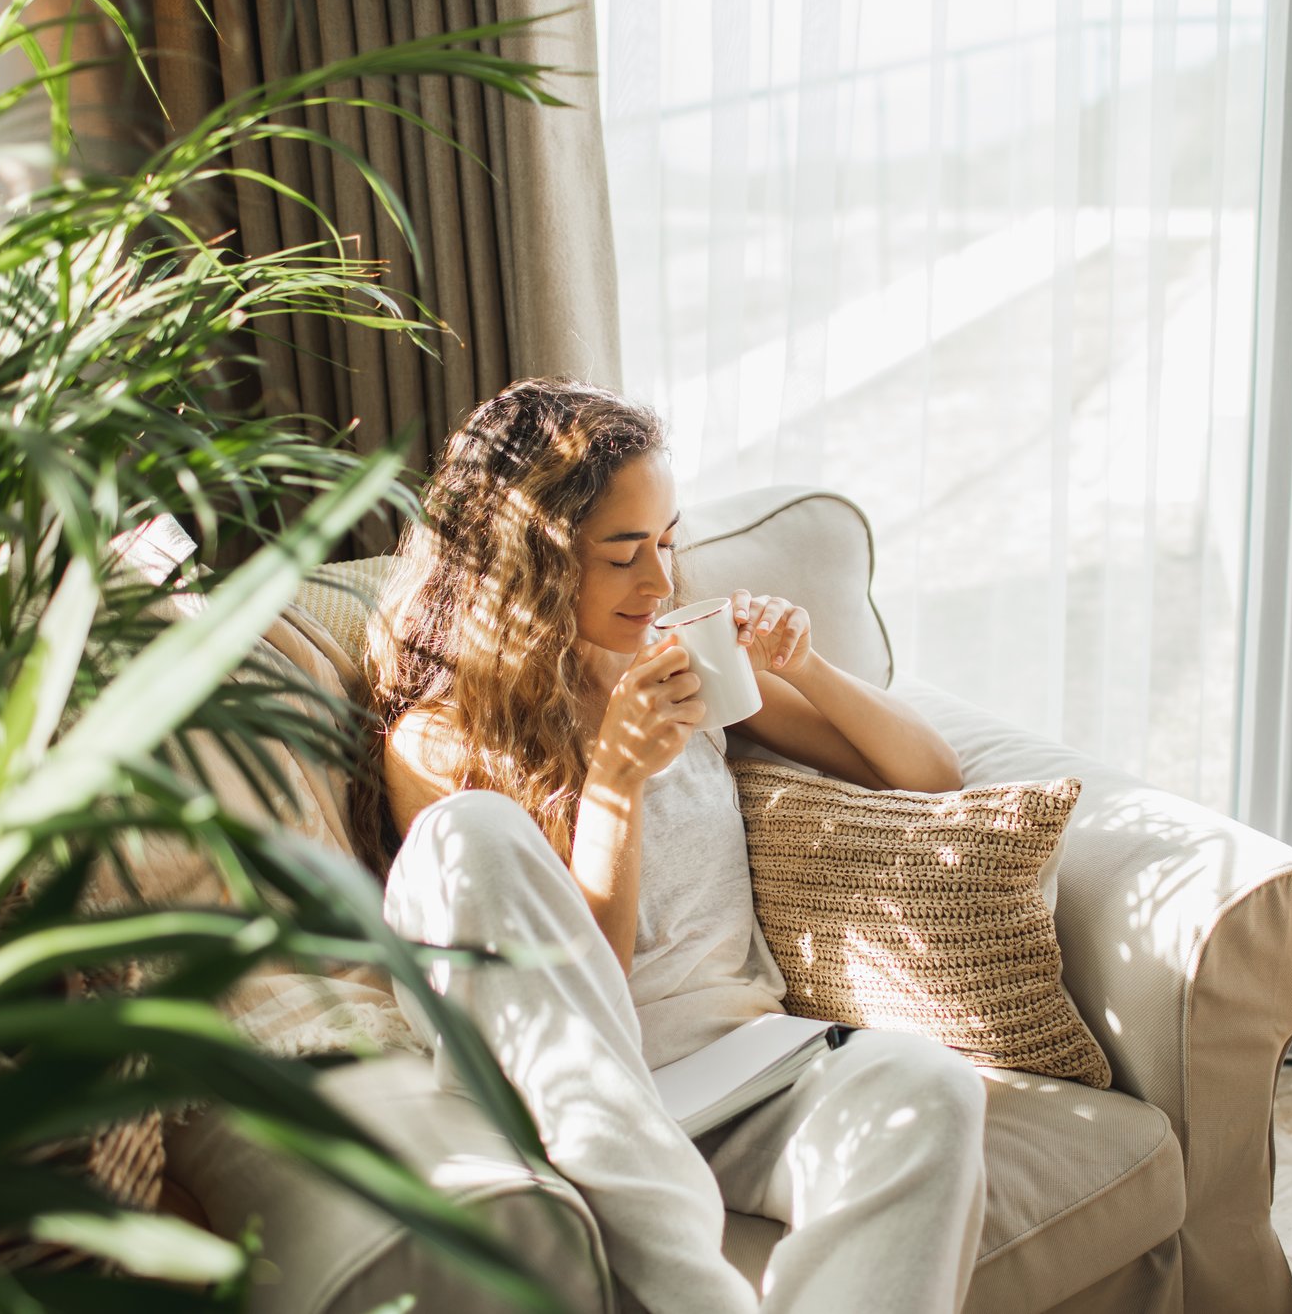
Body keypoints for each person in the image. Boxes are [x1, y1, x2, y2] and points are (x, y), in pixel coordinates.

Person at [358, 379, 988, 1314]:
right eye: (622, 555)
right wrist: (615, 784)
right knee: (472, 833)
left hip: (748, 1071)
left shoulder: (677, 666)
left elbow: (930, 776)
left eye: (666, 541)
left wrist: (801, 664)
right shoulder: (442, 741)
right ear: (528, 562)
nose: (658, 583)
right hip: (590, 1094)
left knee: (927, 1083)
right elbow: (579, 996)